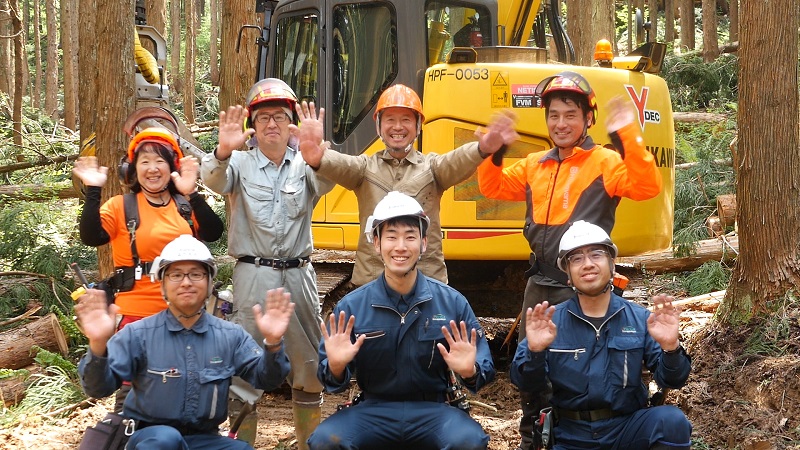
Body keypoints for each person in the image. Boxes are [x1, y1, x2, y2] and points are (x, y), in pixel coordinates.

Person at [476, 71, 663, 449]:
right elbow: (491, 186)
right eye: (554, 115)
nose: (561, 124)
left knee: (591, 368)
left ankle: (600, 434)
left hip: (587, 285)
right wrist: (491, 150)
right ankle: (535, 440)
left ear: (587, 119)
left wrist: (628, 135)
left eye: (570, 115)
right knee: (535, 369)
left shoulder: (604, 161)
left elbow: (646, 186)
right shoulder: (534, 164)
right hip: (541, 283)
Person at [200, 78, 333, 448]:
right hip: (252, 274)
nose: (271, 124)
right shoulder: (239, 162)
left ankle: (309, 443)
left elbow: (330, 181)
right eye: (262, 118)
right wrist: (223, 151)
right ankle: (241, 443)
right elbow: (212, 179)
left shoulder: (306, 163)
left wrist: (317, 150)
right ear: (252, 126)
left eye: (279, 116)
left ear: (291, 122)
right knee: (244, 363)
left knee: (309, 364)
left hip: (299, 275)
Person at [308, 191, 496, 450]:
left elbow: (484, 369)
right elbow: (329, 380)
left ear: (424, 243)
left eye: (410, 236)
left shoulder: (451, 303)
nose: (400, 246)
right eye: (391, 237)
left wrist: (469, 371)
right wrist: (338, 366)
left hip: (434, 410)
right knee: (326, 440)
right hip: (373, 411)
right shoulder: (352, 307)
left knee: (468, 440)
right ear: (376, 243)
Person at [76, 234, 293, 450]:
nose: (186, 282)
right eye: (176, 275)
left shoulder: (230, 335)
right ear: (163, 285)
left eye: (196, 274)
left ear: (209, 283)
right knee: (165, 439)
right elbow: (98, 388)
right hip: (149, 439)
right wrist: (97, 344)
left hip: (204, 438)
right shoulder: (137, 334)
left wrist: (273, 343)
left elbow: (267, 379)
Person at [295, 83, 518, 286]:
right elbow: (341, 165)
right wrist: (317, 158)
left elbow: (455, 162)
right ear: (379, 126)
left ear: (418, 126)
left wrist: (482, 148)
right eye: (390, 119)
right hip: (373, 284)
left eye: (406, 120)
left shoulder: (432, 168)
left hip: (426, 283)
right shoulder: (364, 169)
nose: (398, 127)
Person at [73, 127, 224, 411]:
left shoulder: (184, 206)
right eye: (144, 161)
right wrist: (93, 190)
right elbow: (92, 236)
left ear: (172, 167)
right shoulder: (122, 206)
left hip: (185, 316)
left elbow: (214, 232)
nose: (152, 169)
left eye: (159, 161)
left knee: (185, 392)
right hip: (135, 317)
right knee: (133, 397)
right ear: (132, 168)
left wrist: (192, 194)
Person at [510, 221, 692, 450]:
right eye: (576, 259)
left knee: (671, 422)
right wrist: (534, 352)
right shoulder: (550, 324)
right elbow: (526, 383)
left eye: (596, 255)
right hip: (570, 436)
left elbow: (674, 380)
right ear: (567, 274)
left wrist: (670, 347)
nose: (587, 264)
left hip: (627, 430)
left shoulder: (639, 319)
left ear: (612, 264)